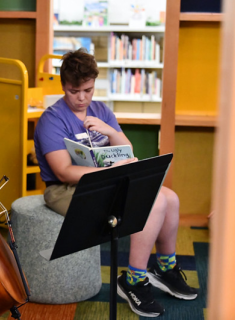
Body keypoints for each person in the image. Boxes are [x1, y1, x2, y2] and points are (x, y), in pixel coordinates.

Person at [34, 48, 198, 317]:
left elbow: (128, 151)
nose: (82, 97)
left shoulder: (100, 110)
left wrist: (109, 130)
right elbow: (63, 172)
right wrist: (107, 174)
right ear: (64, 85)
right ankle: (132, 281)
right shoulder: (51, 120)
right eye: (75, 91)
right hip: (66, 189)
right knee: (153, 203)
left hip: (105, 179)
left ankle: (165, 267)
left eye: (87, 89)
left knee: (171, 198)